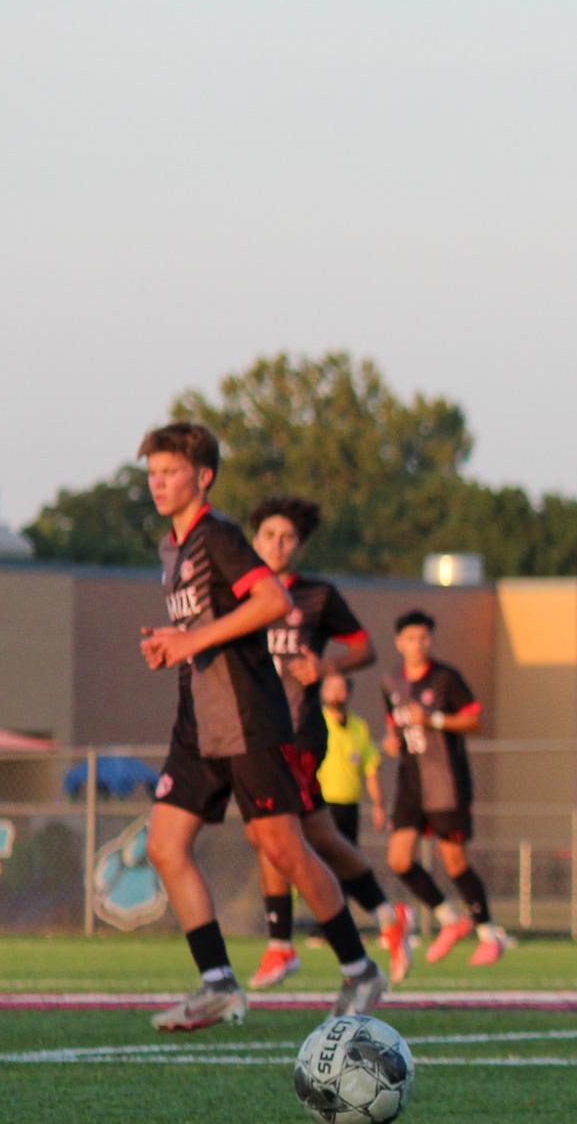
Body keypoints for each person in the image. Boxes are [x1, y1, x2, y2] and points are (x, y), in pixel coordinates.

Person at [134, 423, 386, 1031]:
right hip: (198, 722)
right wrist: (176, 647)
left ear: (204, 477)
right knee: (164, 848)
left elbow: (273, 601)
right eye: (152, 472)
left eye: (170, 472)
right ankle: (218, 985)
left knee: (283, 848)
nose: (158, 483)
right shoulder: (173, 548)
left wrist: (191, 638)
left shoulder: (217, 536)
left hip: (248, 719)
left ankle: (360, 970)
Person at [245, 496, 414, 989]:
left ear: (300, 546)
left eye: (288, 538)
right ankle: (387, 915)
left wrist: (326, 666)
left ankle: (281, 945)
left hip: (295, 731)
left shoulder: (317, 595)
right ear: (254, 541)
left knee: (269, 833)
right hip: (251, 732)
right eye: (269, 536)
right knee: (313, 836)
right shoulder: (241, 593)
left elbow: (364, 646)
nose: (278, 545)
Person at [382, 610, 512, 966]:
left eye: (424, 638)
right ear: (399, 642)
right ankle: (450, 919)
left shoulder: (445, 678)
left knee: (454, 861)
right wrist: (392, 740)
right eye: (411, 638)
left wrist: (436, 719)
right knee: (398, 859)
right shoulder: (391, 680)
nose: (418, 644)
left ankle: (487, 933)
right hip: (410, 782)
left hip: (445, 780)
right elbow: (393, 724)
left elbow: (475, 720)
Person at [317, 673, 386, 845]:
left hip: (350, 804)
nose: (335, 694)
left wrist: (378, 805)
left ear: (348, 692)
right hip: (322, 804)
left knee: (348, 858)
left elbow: (370, 768)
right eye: (330, 688)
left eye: (340, 689)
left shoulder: (359, 727)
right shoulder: (316, 723)